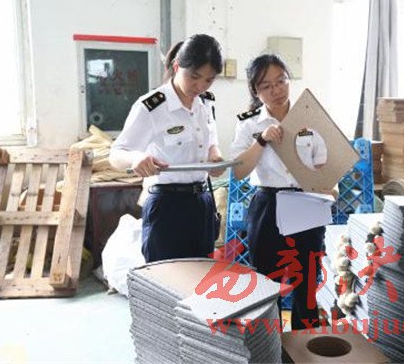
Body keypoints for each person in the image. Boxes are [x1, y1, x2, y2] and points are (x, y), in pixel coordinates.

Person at [230, 54, 331, 330]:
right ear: (255, 91)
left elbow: (324, 165)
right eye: (266, 86)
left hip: (306, 202)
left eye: (281, 81)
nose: (276, 90)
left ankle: (304, 346)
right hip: (268, 205)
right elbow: (238, 171)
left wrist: (329, 188)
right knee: (266, 282)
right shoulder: (249, 124)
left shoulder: (310, 118)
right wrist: (262, 141)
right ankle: (268, 345)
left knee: (306, 283)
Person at [109, 34, 224, 262]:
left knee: (200, 276)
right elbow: (116, 154)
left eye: (209, 80)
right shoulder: (152, 106)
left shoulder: (205, 102)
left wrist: (215, 156)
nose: (200, 86)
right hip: (167, 205)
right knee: (165, 276)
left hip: (201, 203)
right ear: (177, 66)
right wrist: (136, 159)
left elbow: (211, 141)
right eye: (194, 77)